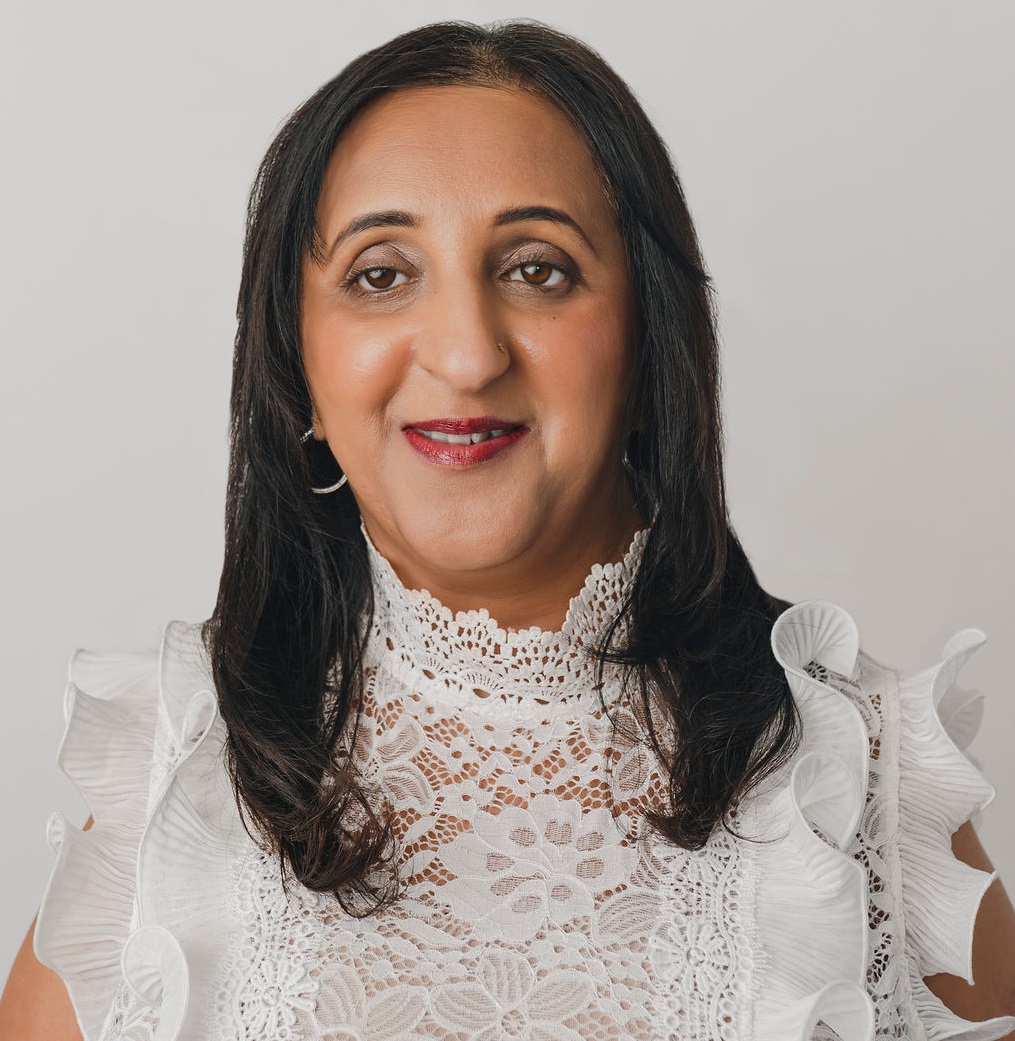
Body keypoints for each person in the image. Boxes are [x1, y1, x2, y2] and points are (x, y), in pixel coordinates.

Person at [1, 19, 1014, 1041]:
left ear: (646, 343)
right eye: (380, 274)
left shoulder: (858, 778)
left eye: (538, 269)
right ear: (296, 369)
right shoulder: (172, 774)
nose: (466, 352)